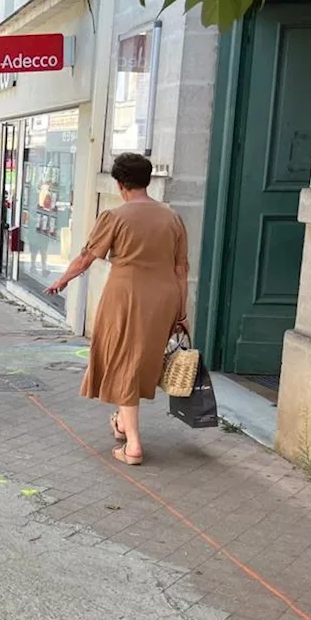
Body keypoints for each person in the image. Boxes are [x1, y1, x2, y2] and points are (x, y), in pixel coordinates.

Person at [46, 153, 188, 466]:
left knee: (124, 362)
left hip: (126, 295)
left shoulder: (115, 216)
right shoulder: (172, 217)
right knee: (138, 361)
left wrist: (62, 280)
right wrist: (181, 309)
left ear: (121, 184)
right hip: (164, 297)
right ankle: (123, 423)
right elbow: (181, 268)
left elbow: (86, 258)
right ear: (147, 181)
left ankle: (134, 445)